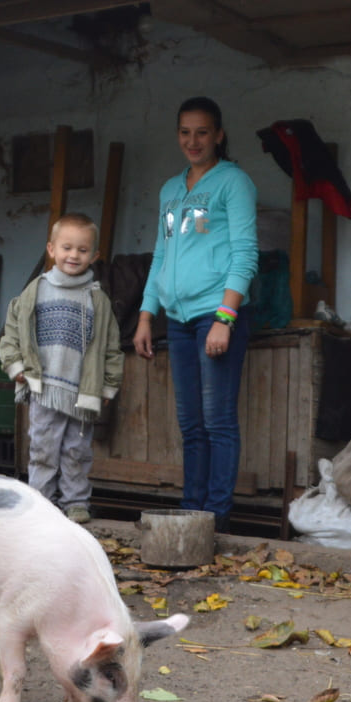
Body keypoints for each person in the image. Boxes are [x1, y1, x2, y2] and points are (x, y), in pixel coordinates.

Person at [133, 97, 259, 532]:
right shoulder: (172, 190)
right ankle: (191, 515)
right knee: (191, 424)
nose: (193, 140)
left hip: (214, 315)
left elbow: (245, 254)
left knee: (217, 420)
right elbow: (161, 255)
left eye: (202, 132)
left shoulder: (233, 183)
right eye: (185, 132)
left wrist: (226, 317)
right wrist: (147, 315)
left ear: (219, 135)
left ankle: (217, 518)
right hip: (179, 320)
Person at [0, 213, 123, 524]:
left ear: (94, 255)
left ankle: (76, 502)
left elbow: (111, 346)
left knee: (76, 450)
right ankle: (40, 502)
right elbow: (12, 331)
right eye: (67, 248)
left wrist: (106, 386)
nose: (74, 255)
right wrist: (15, 367)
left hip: (81, 391)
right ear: (51, 249)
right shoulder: (36, 290)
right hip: (45, 389)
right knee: (42, 447)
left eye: (82, 250)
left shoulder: (97, 299)